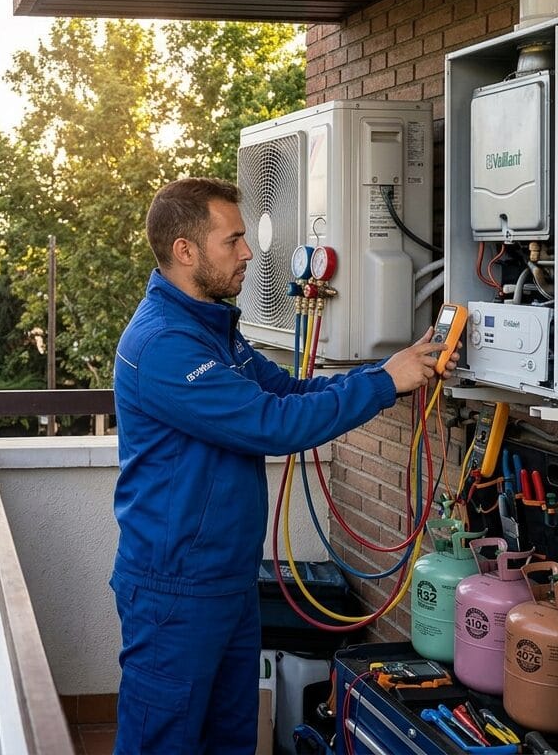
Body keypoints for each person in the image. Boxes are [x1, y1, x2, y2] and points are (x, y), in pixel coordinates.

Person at [111, 177, 456, 754]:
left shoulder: (214, 331)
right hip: (174, 592)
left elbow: (291, 394)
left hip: (227, 581)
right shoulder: (165, 345)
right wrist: (383, 382)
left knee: (230, 740)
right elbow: (272, 424)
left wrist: (390, 373)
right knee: (161, 744)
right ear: (185, 251)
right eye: (234, 240)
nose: (249, 252)